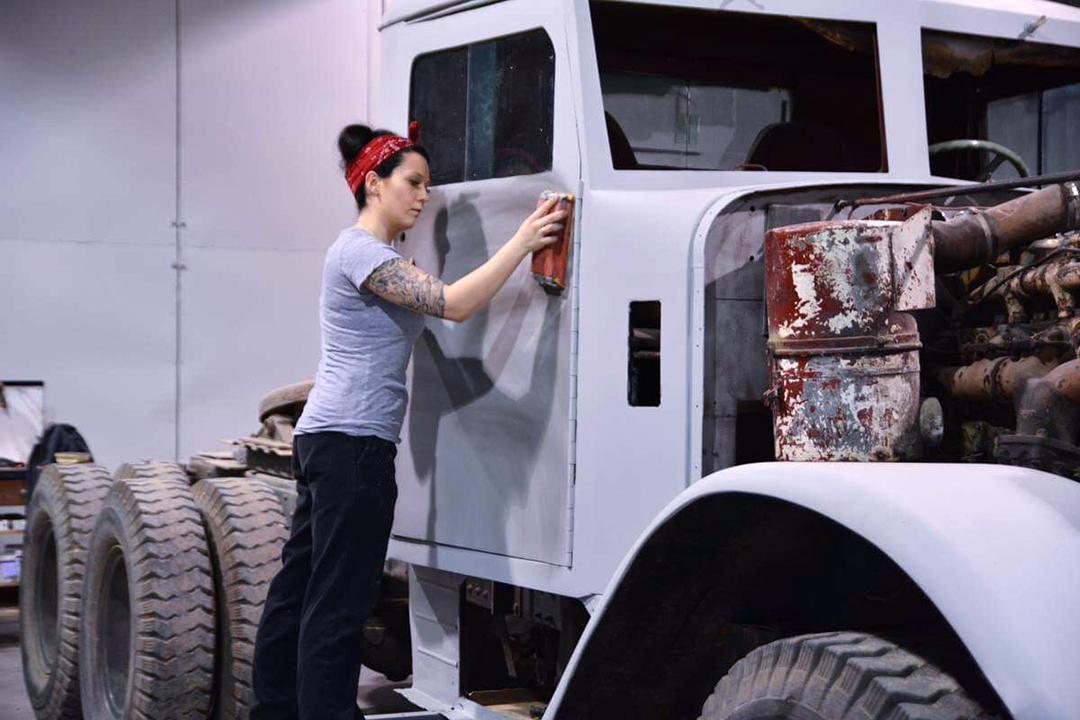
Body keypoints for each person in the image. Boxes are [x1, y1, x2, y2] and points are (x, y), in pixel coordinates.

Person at [249, 123, 566, 720]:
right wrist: (523, 241)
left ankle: (273, 711)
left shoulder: (373, 256)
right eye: (413, 183)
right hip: (352, 445)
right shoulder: (362, 252)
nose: (423, 197)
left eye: (428, 185)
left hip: (329, 437)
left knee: (298, 592)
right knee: (338, 602)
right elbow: (454, 303)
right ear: (374, 183)